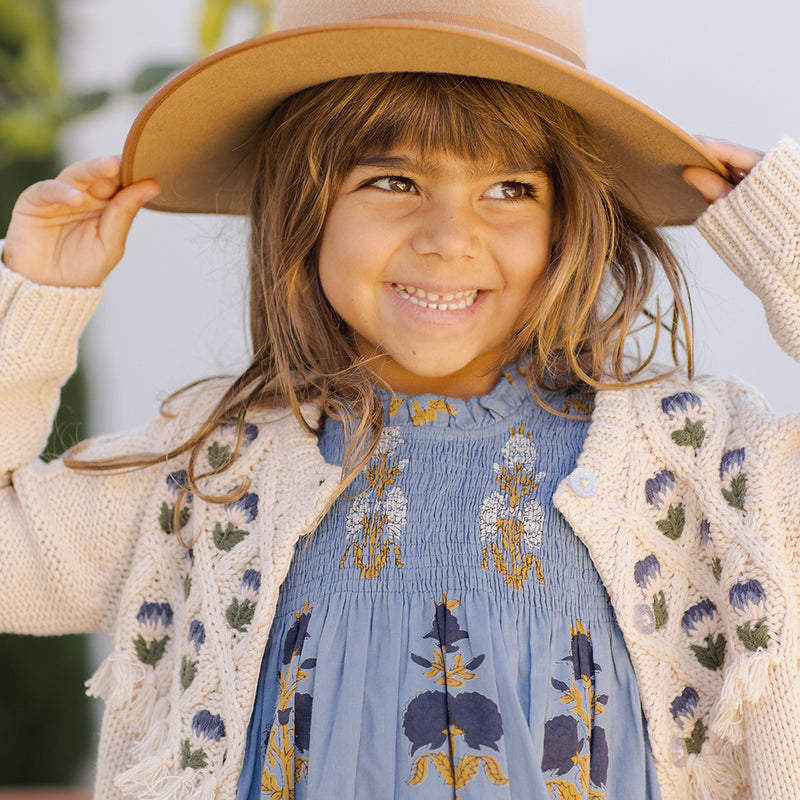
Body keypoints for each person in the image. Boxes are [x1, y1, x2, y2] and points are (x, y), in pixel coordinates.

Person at [1, 1, 798, 799]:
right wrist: (35, 304)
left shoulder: (699, 469)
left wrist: (788, 251)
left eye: (511, 188)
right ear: (304, 209)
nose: (449, 236)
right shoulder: (213, 472)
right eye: (393, 180)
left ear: (566, 222)